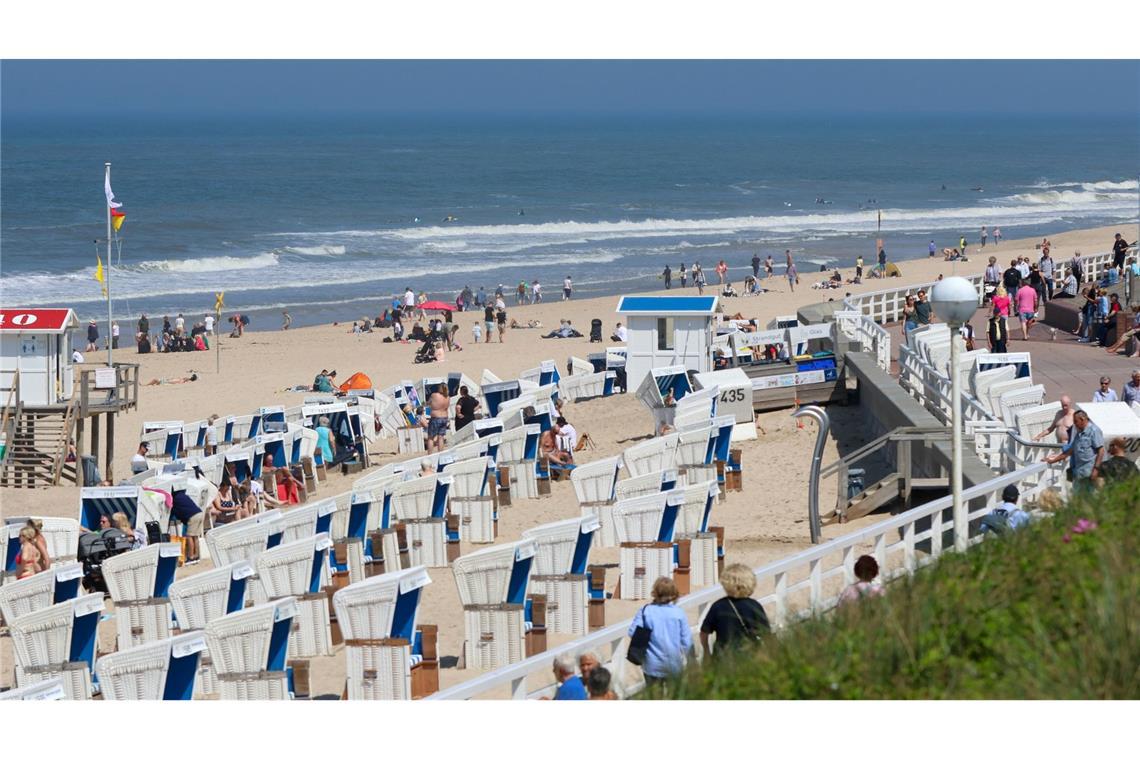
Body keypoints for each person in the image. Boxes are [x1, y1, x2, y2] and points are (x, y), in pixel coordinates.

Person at [628, 577, 692, 687]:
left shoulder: (646, 611)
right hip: (673, 664)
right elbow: (686, 642)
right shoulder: (679, 613)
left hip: (651, 664)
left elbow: (632, 632)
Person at [698, 563, 770, 658]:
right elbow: (766, 633)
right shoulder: (754, 606)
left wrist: (706, 652)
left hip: (722, 657)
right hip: (749, 656)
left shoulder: (718, 606)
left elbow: (704, 632)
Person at [1045, 409, 1104, 493]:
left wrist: (1096, 469)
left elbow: (1101, 451)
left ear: (1082, 419)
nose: (1075, 424)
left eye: (1076, 421)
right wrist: (1053, 460)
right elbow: (1070, 451)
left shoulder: (1094, 431)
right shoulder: (1079, 433)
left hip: (1089, 473)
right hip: (1079, 473)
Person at [169, 486, 204, 564]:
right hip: (200, 513)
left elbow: (174, 513)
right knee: (195, 536)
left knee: (189, 536)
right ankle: (197, 555)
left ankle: (191, 556)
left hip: (193, 516)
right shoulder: (183, 495)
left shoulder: (174, 499)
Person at [427, 384, 450, 453]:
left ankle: (430, 455)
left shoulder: (434, 395)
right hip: (444, 418)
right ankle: (440, 454)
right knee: (441, 437)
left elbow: (429, 403)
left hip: (436, 418)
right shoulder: (448, 397)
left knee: (431, 438)